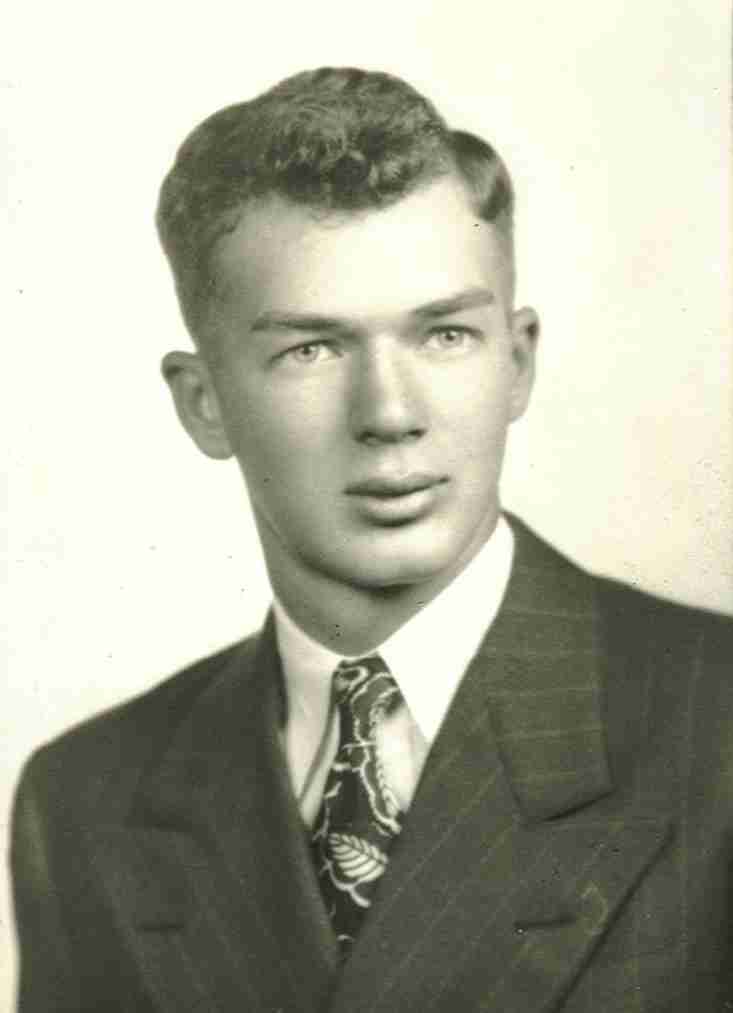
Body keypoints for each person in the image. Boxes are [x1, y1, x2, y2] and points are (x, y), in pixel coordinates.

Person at [10, 67, 733, 1013]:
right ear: (203, 403)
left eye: (443, 336)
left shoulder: (711, 727)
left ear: (515, 362)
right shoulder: (88, 803)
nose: (389, 414)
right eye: (311, 349)